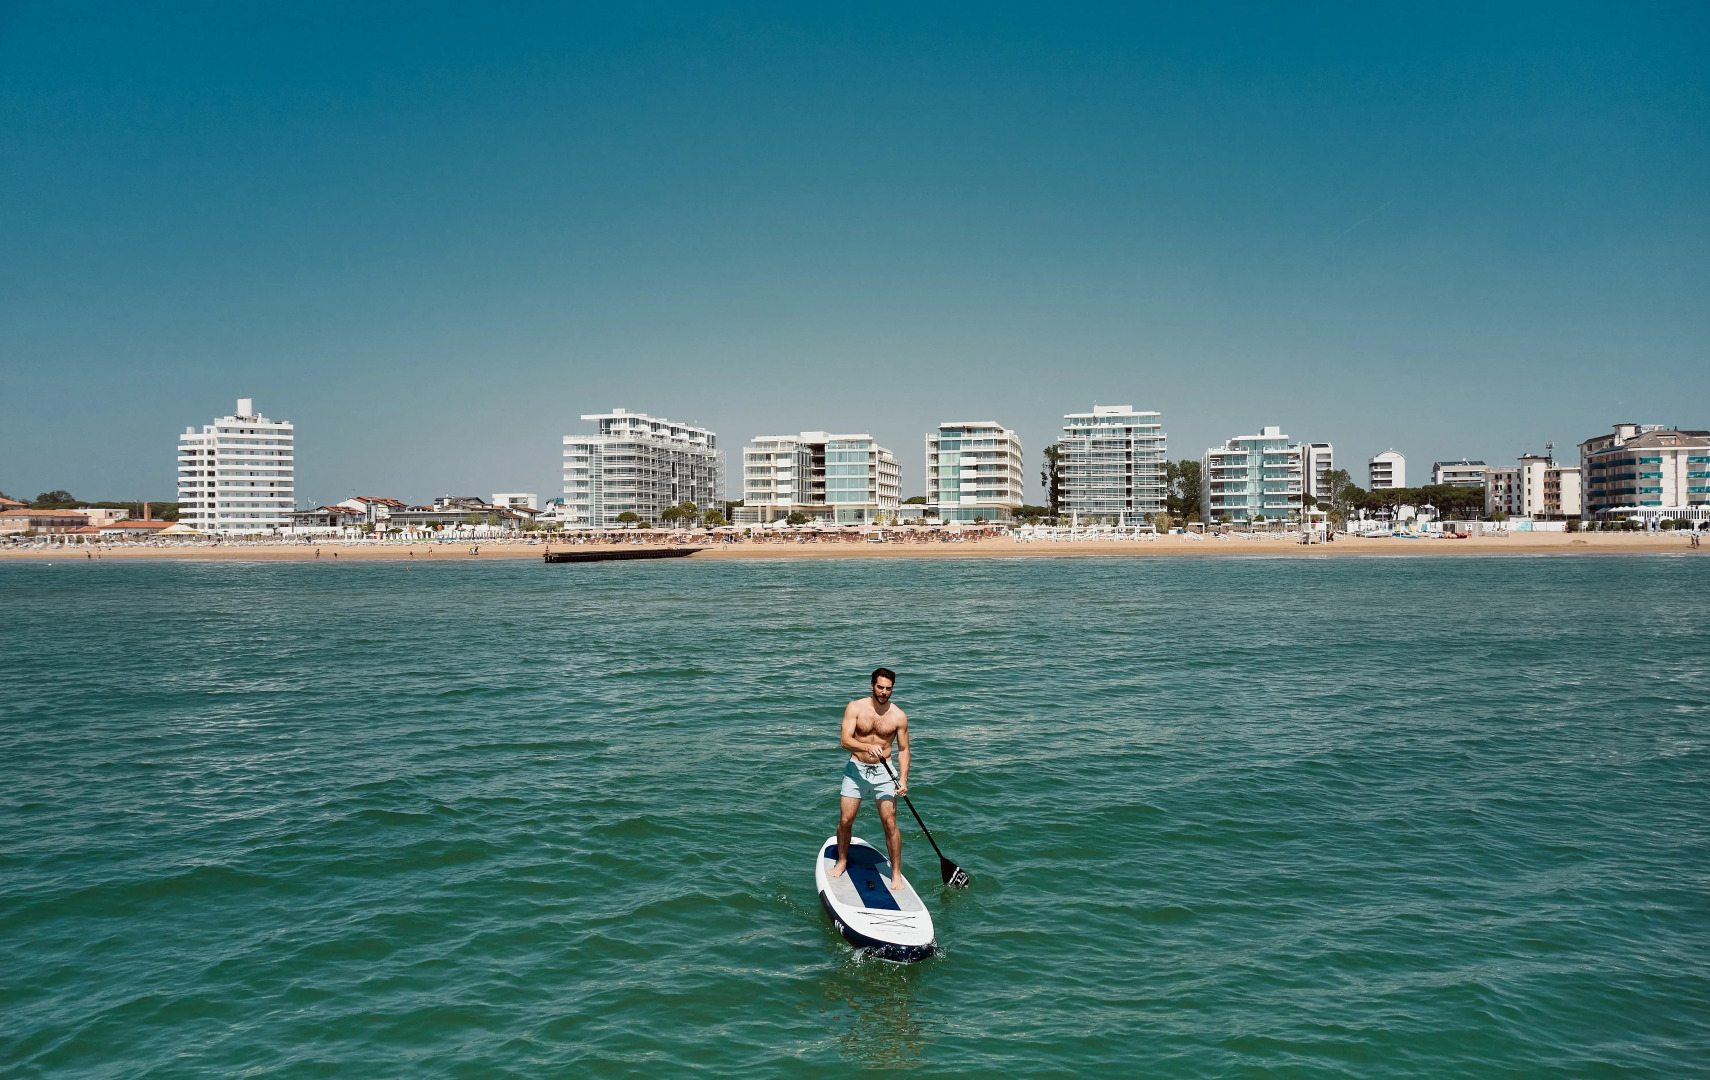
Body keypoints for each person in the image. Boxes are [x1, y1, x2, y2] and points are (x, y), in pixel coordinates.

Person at [831, 667, 909, 891]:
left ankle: (896, 873)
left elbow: (904, 750)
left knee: (890, 824)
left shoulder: (898, 716)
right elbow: (845, 740)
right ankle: (843, 860)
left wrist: (903, 779)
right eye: (880, 687)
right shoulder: (855, 707)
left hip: (885, 773)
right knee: (846, 820)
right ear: (872, 685)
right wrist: (866, 746)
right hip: (856, 770)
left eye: (888, 689)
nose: (884, 692)